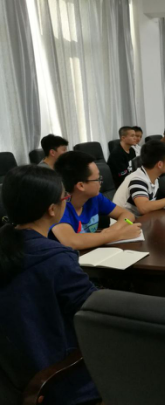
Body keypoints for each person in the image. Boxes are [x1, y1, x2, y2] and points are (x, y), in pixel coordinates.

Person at [0, 165, 100, 405]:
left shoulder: (8, 245)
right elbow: (95, 315)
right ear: (52, 209)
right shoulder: (56, 260)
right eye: (65, 197)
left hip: (13, 378)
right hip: (58, 381)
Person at [51, 151, 141, 250]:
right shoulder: (59, 207)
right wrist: (119, 234)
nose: (101, 182)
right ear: (81, 185)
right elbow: (71, 241)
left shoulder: (94, 198)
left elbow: (127, 215)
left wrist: (113, 229)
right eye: (98, 179)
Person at [114, 141, 165, 215]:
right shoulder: (137, 179)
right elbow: (144, 207)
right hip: (124, 222)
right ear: (159, 164)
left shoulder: (153, 177)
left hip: (139, 219)